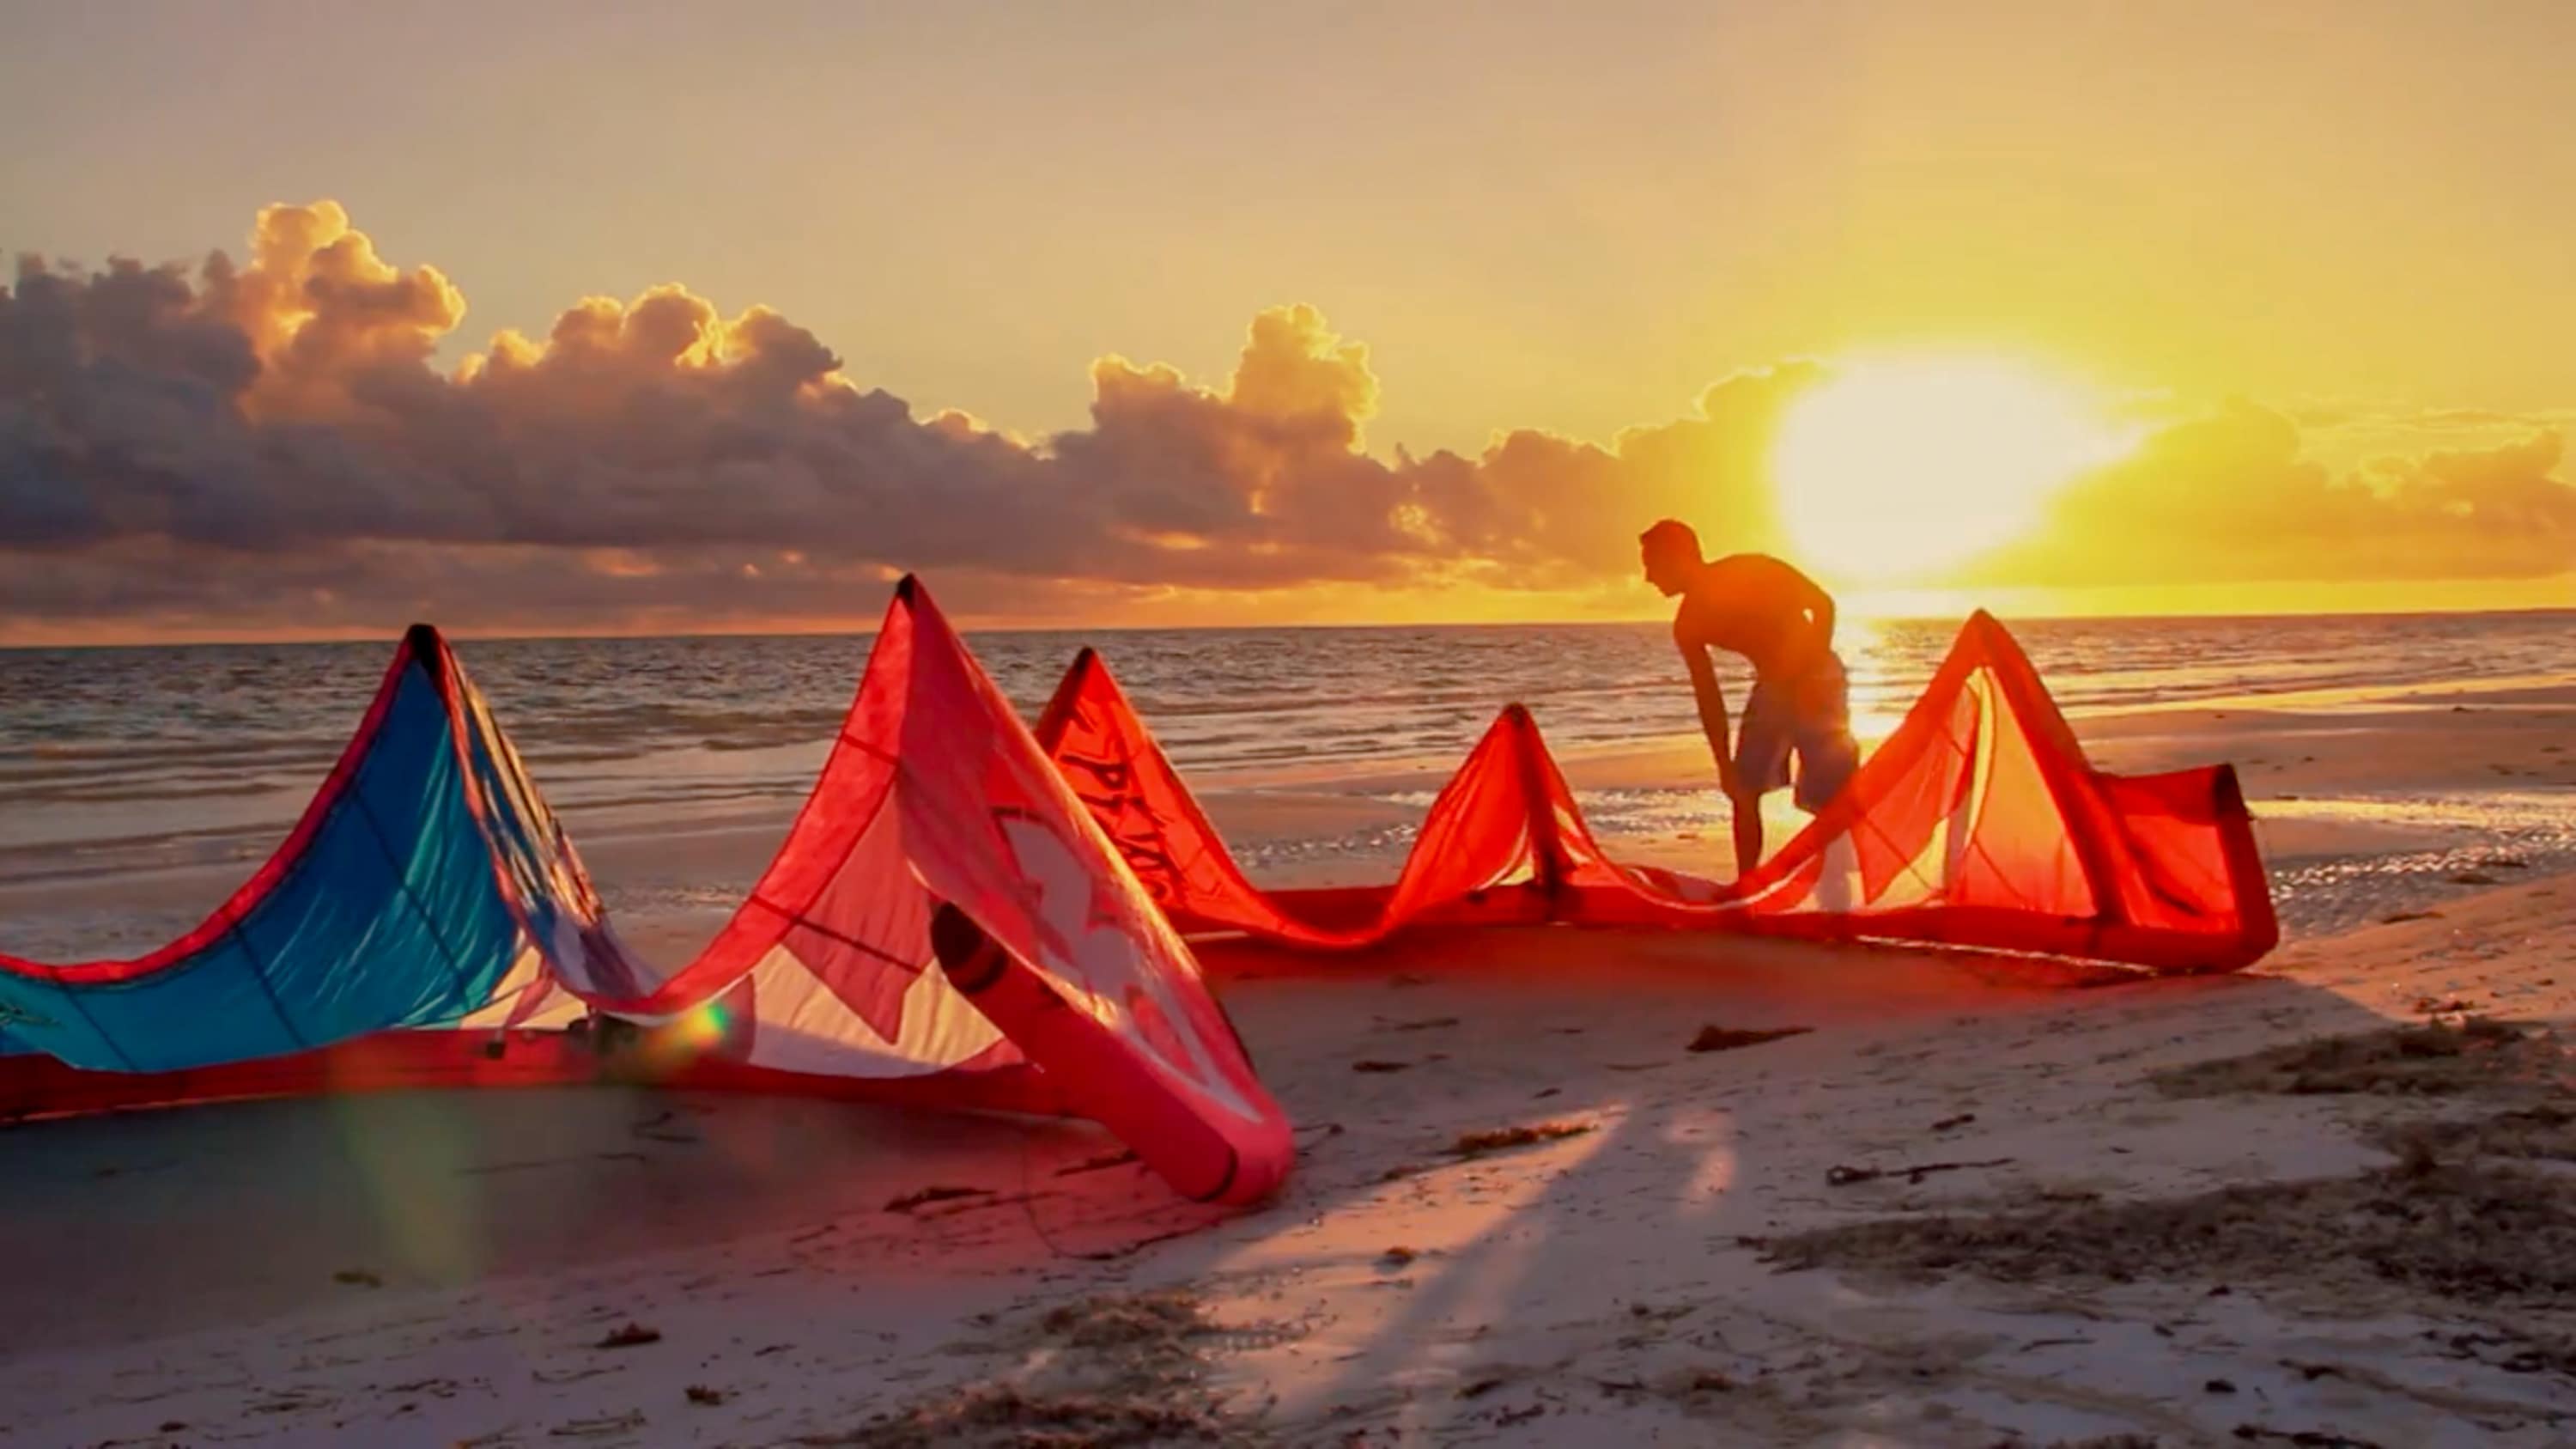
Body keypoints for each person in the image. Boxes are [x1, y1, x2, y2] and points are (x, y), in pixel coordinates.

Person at [1641, 519, 1860, 879]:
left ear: (1678, 557)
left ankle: (1837, 889)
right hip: (1773, 685)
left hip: (1819, 678)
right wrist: (1723, 765)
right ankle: (1746, 887)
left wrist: (1810, 671)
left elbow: (1822, 605)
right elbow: (1708, 698)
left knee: (1827, 797)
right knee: (1742, 789)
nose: (1648, 577)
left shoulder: (1749, 569)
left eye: (1651, 564)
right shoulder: (1688, 624)